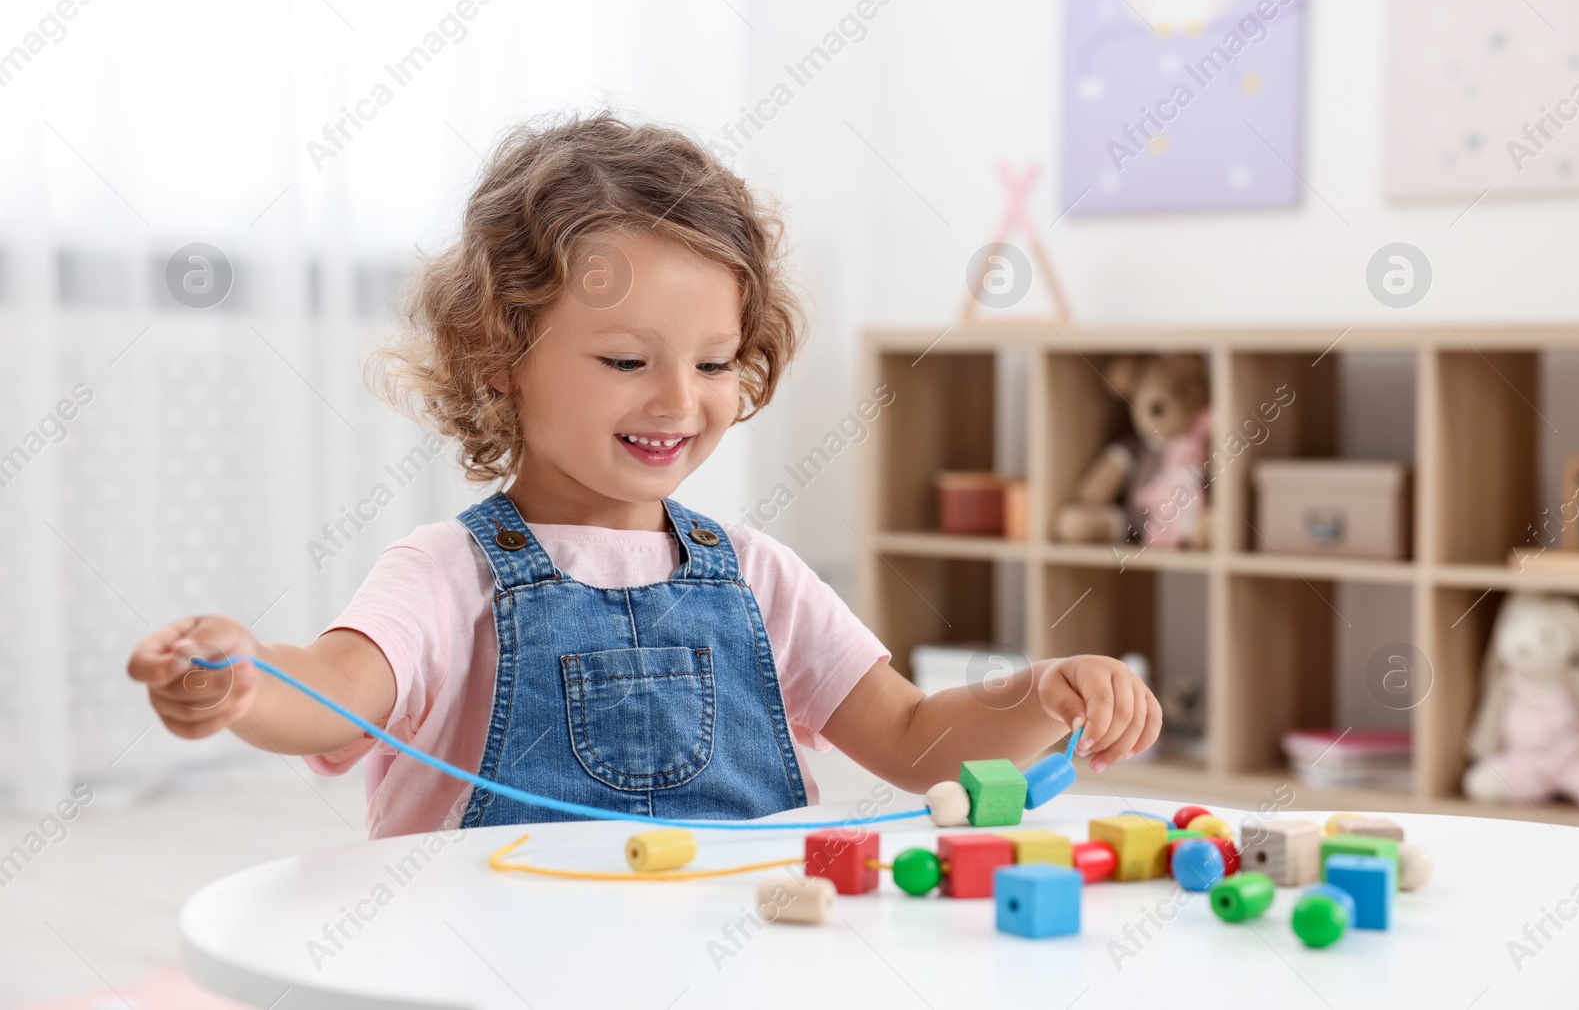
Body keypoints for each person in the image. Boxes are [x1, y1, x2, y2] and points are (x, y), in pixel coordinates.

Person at [127, 111, 1160, 838]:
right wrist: (246, 677)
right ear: (500, 361)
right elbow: (339, 690)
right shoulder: (447, 572)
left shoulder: (759, 575)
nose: (679, 397)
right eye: (627, 360)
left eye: (714, 363)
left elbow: (915, 738)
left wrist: (1041, 694)